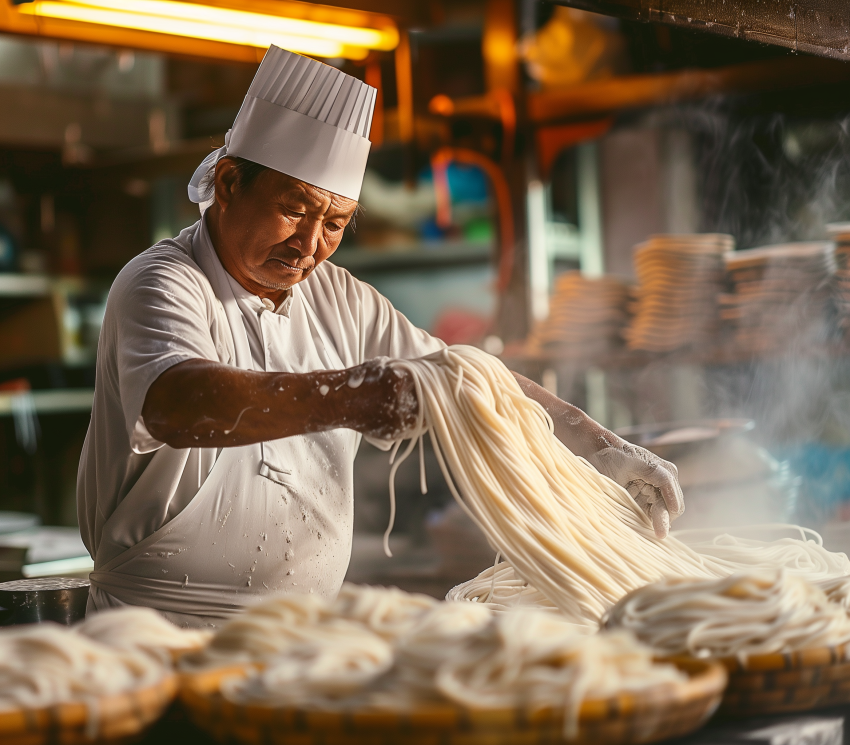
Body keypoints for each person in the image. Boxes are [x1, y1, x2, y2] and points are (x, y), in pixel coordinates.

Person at [77, 46, 683, 628]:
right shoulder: (164, 282)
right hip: (158, 635)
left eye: (335, 223)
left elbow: (465, 377)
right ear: (231, 184)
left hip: (304, 638)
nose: (310, 245)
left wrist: (592, 441)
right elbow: (172, 401)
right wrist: (354, 396)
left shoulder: (339, 297)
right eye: (294, 210)